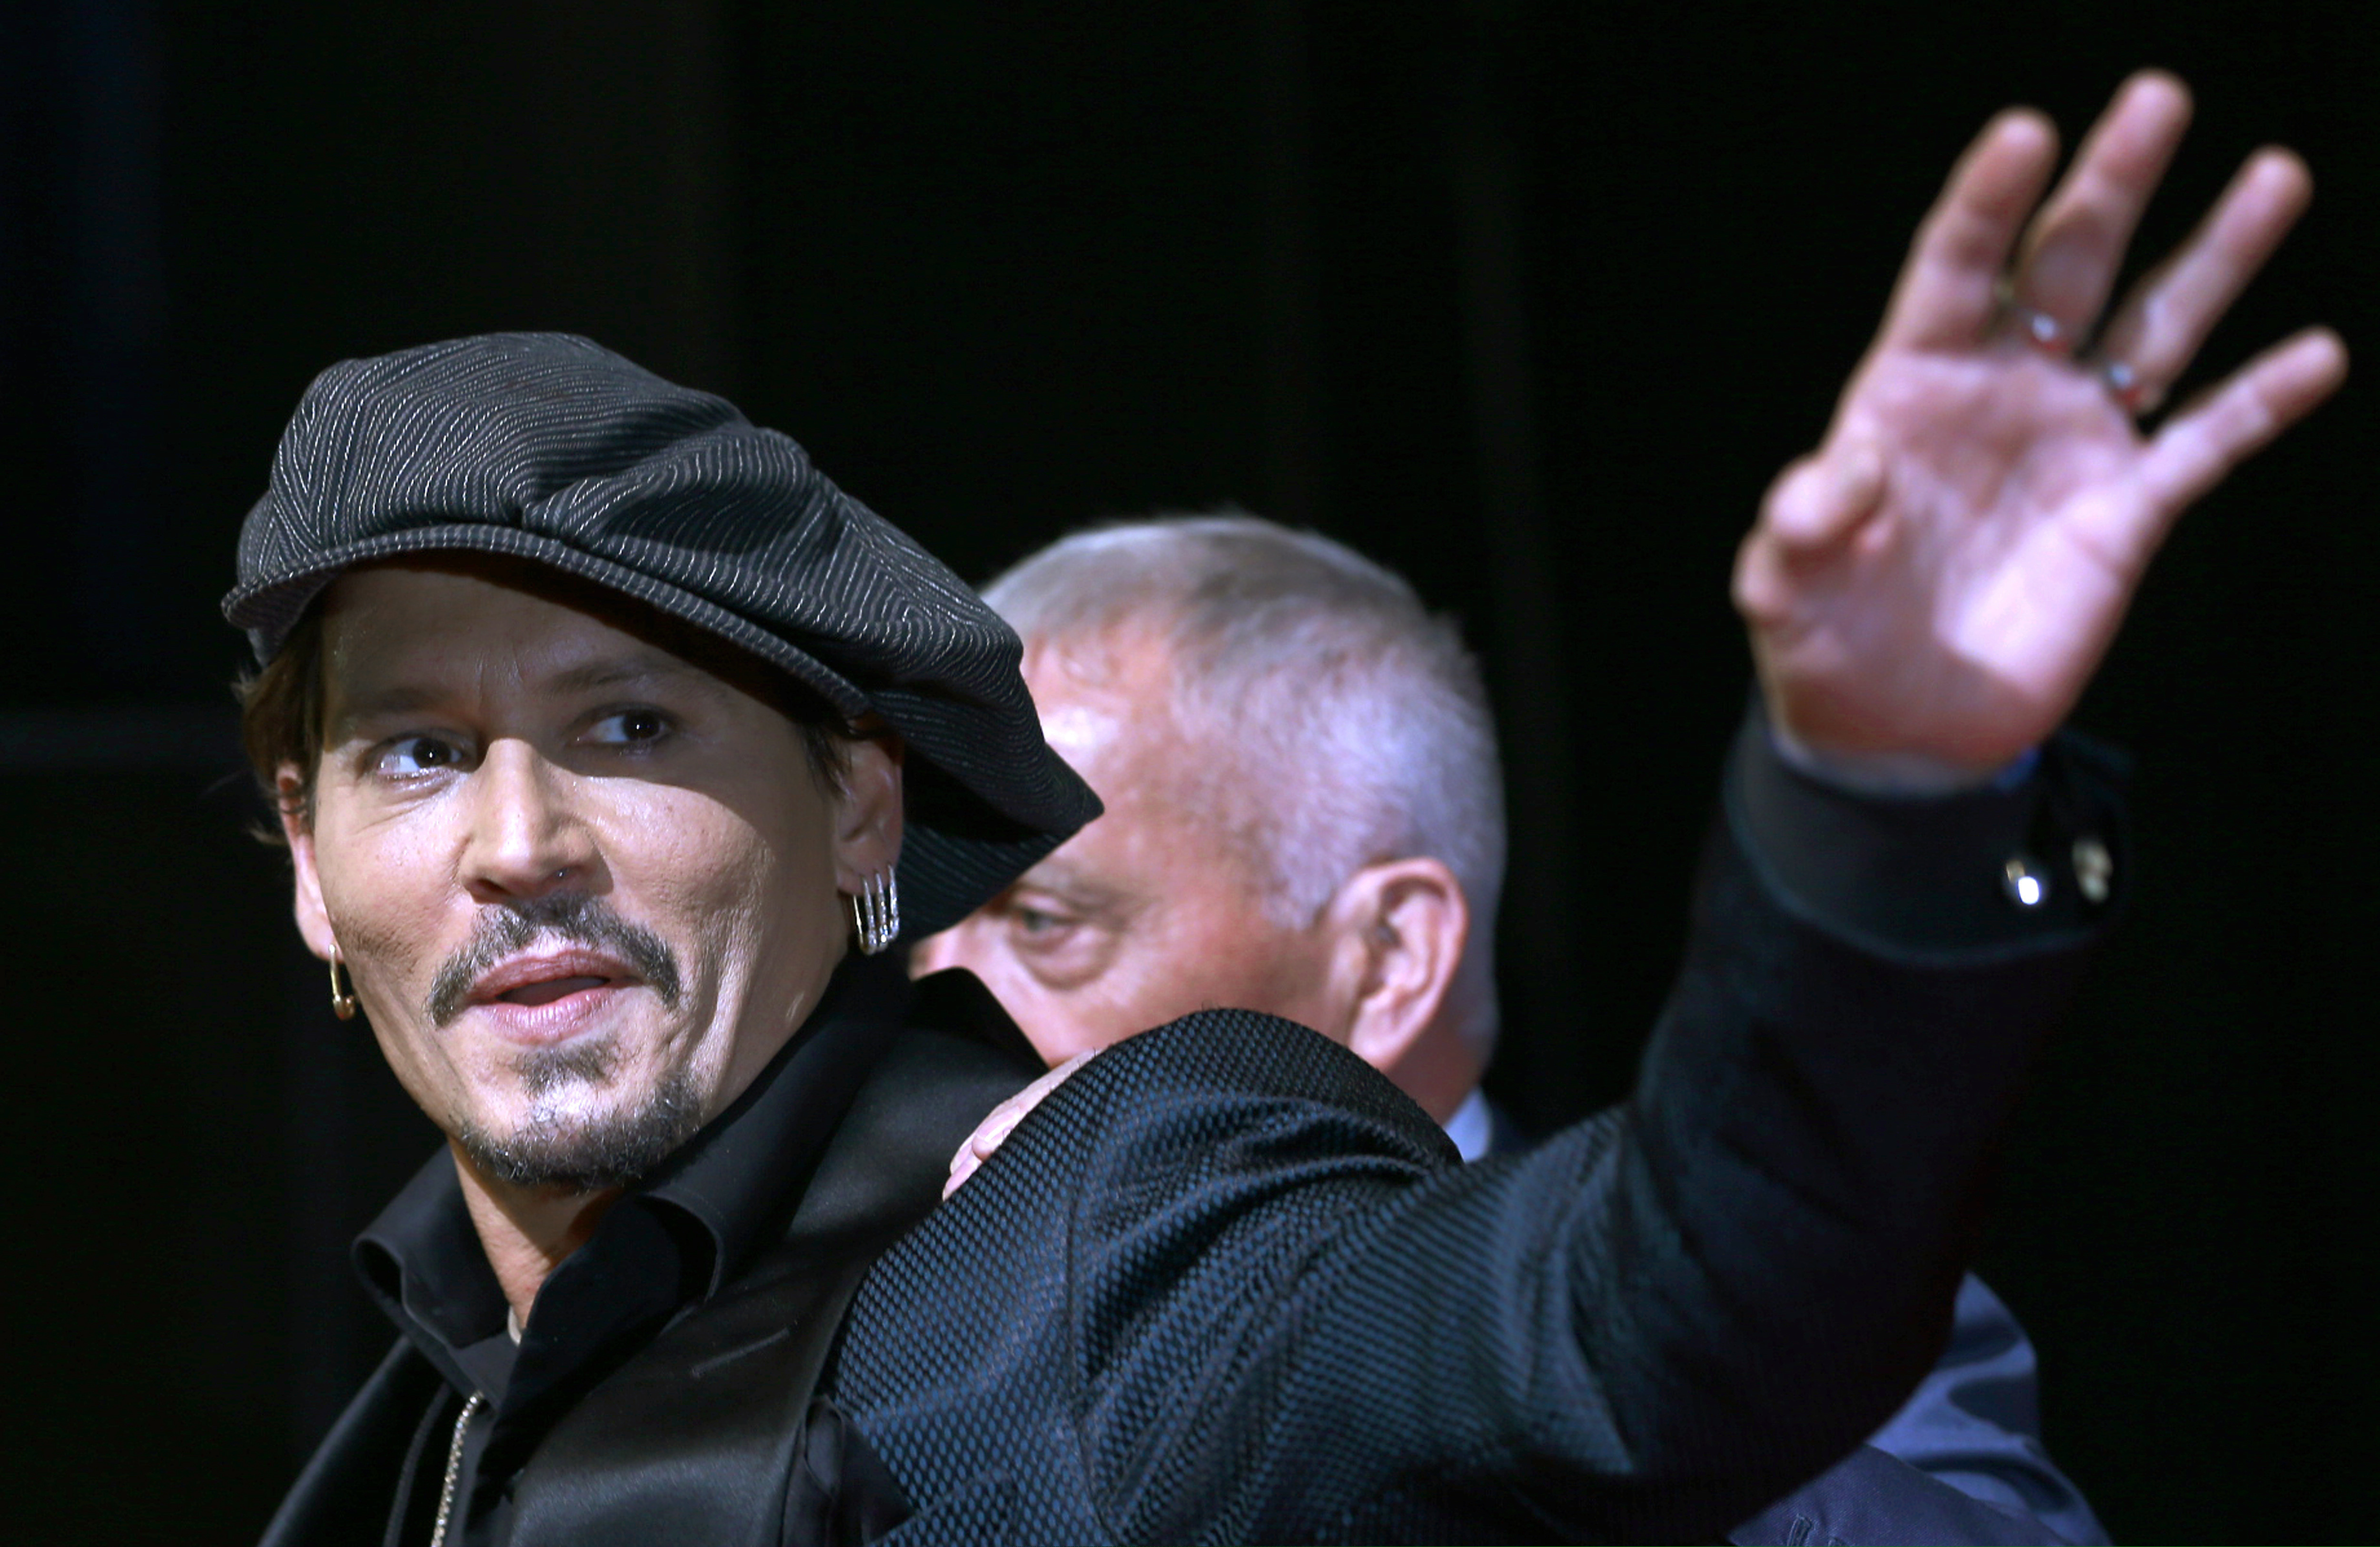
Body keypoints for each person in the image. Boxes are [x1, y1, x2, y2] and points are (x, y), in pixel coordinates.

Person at [244, 71, 2340, 1545]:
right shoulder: (413, 1423)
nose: (518, 838)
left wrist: (1876, 794)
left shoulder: (1096, 1224)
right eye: (414, 750)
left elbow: (1642, 1324)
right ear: (312, 861)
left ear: (863, 808)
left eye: (628, 725)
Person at [919, 512, 2107, 1544]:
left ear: (1386, 959)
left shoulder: (1800, 1309)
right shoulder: (885, 1296)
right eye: (920, 919)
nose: (942, 984)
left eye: (1046, 922)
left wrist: (1605, 1411)